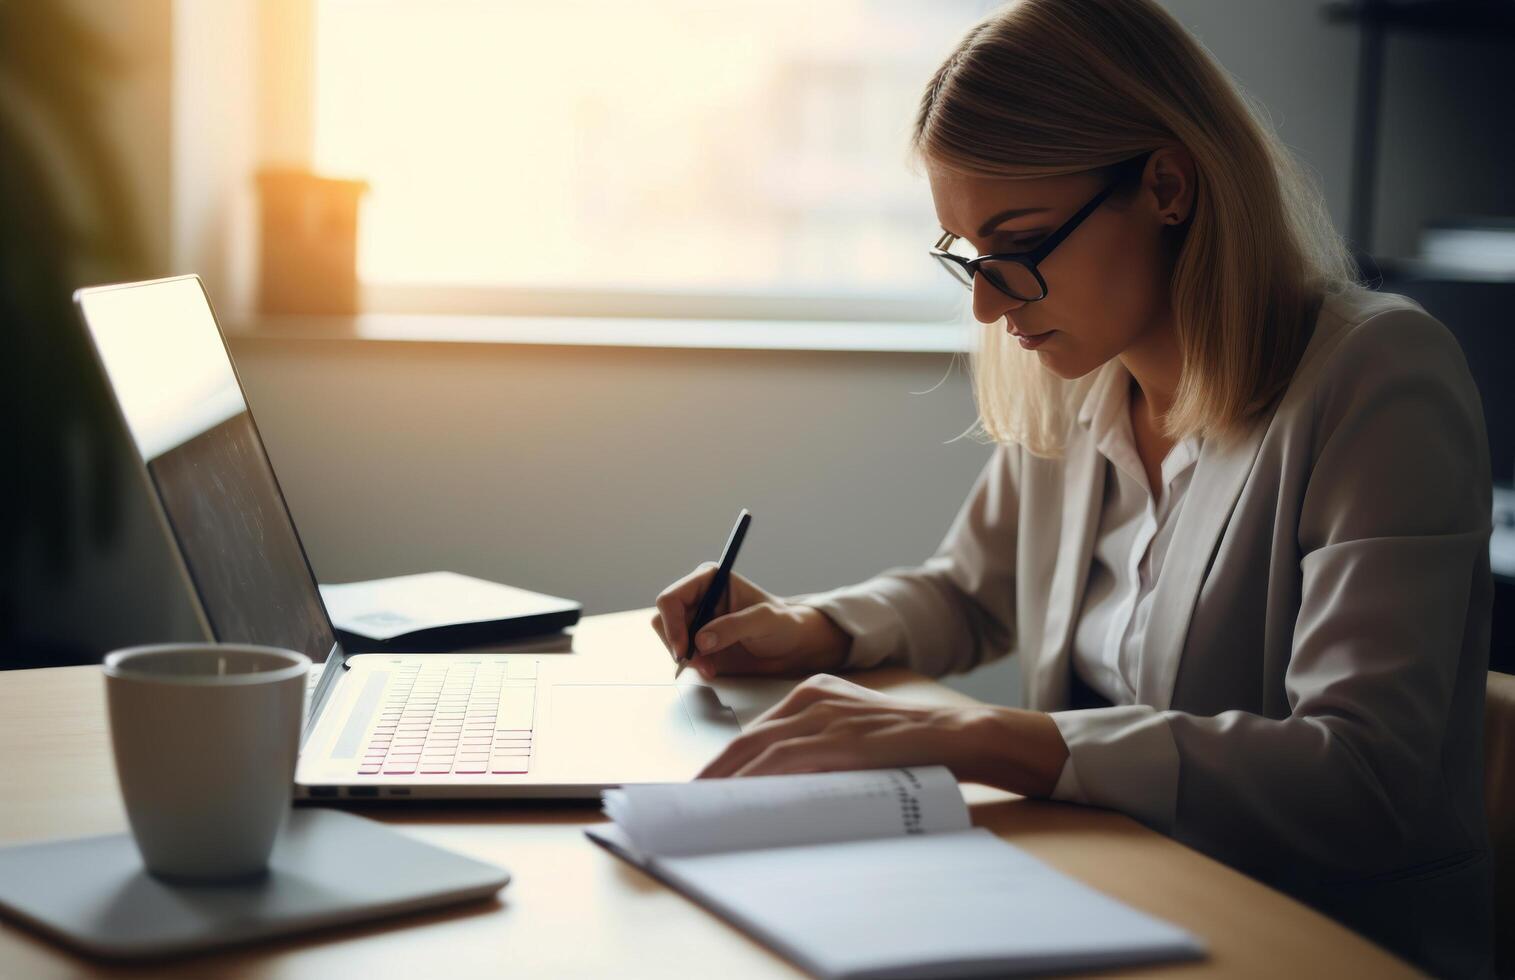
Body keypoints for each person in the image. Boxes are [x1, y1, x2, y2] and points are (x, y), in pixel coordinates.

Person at [649, 0, 1494, 974]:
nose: (986, 300)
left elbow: (1361, 778)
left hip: (1315, 938)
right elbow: (972, 589)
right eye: (967, 255)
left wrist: (993, 738)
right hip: (1115, 891)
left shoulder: (1376, 375)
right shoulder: (1090, 367)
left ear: (1169, 185)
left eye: (1019, 246)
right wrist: (814, 627)